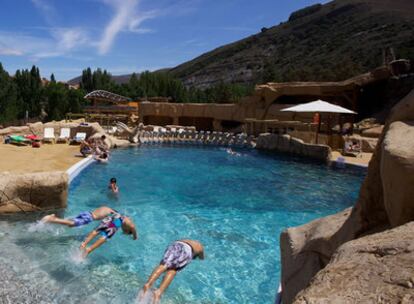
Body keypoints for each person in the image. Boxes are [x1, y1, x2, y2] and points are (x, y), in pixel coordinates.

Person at [41, 206, 118, 227]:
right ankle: (52, 219)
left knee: (71, 224)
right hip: (89, 218)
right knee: (72, 223)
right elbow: (115, 219)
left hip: (87, 213)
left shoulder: (105, 207)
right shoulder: (111, 212)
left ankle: (54, 217)